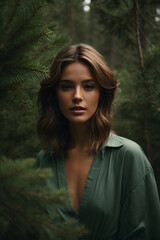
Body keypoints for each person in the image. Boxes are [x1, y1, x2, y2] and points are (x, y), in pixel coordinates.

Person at [36, 43, 160, 240]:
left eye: (88, 86)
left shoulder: (129, 157)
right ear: (55, 94)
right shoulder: (42, 161)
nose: (77, 96)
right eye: (67, 86)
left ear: (101, 93)